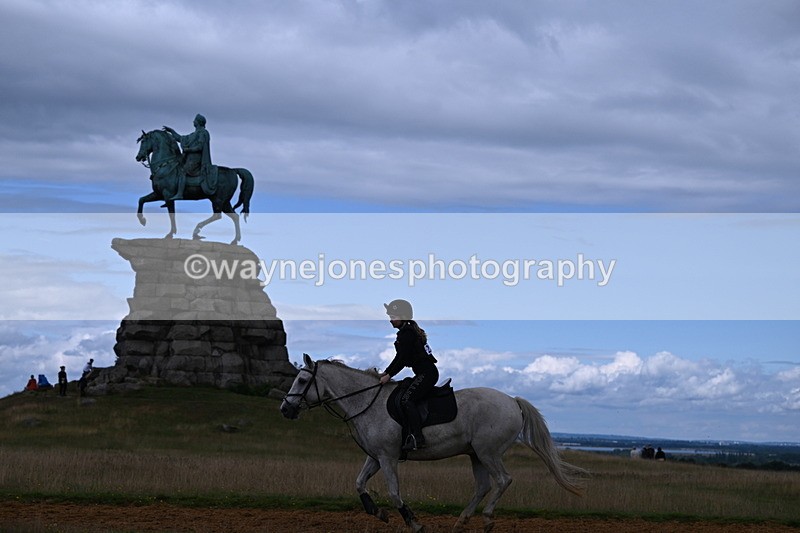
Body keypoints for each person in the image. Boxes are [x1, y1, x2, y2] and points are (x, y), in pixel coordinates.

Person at [378, 299, 439, 451]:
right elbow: (399, 357)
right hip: (423, 373)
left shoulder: (407, 334)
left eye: (393, 317)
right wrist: (386, 372)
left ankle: (418, 438)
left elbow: (403, 359)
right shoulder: (407, 332)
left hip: (427, 374)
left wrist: (388, 376)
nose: (390, 320)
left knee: (407, 400)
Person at [162, 114, 213, 202]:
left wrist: (188, 150)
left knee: (182, 171)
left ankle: (180, 193)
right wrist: (172, 131)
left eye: (195, 120)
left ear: (199, 122)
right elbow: (181, 138)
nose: (193, 121)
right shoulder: (193, 134)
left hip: (196, 159)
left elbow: (200, 147)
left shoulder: (203, 133)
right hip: (189, 158)